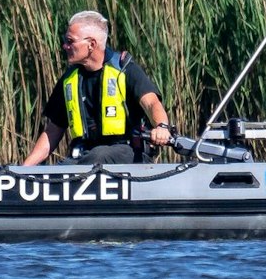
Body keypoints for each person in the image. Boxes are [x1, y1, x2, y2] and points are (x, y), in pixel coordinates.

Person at [19, 10, 173, 166]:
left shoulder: (125, 69)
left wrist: (162, 127)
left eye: (70, 41)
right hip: (85, 155)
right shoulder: (69, 79)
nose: (65, 46)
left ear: (91, 44)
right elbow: (52, 131)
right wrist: (24, 170)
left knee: (98, 156)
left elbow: (152, 103)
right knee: (62, 169)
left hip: (127, 153)